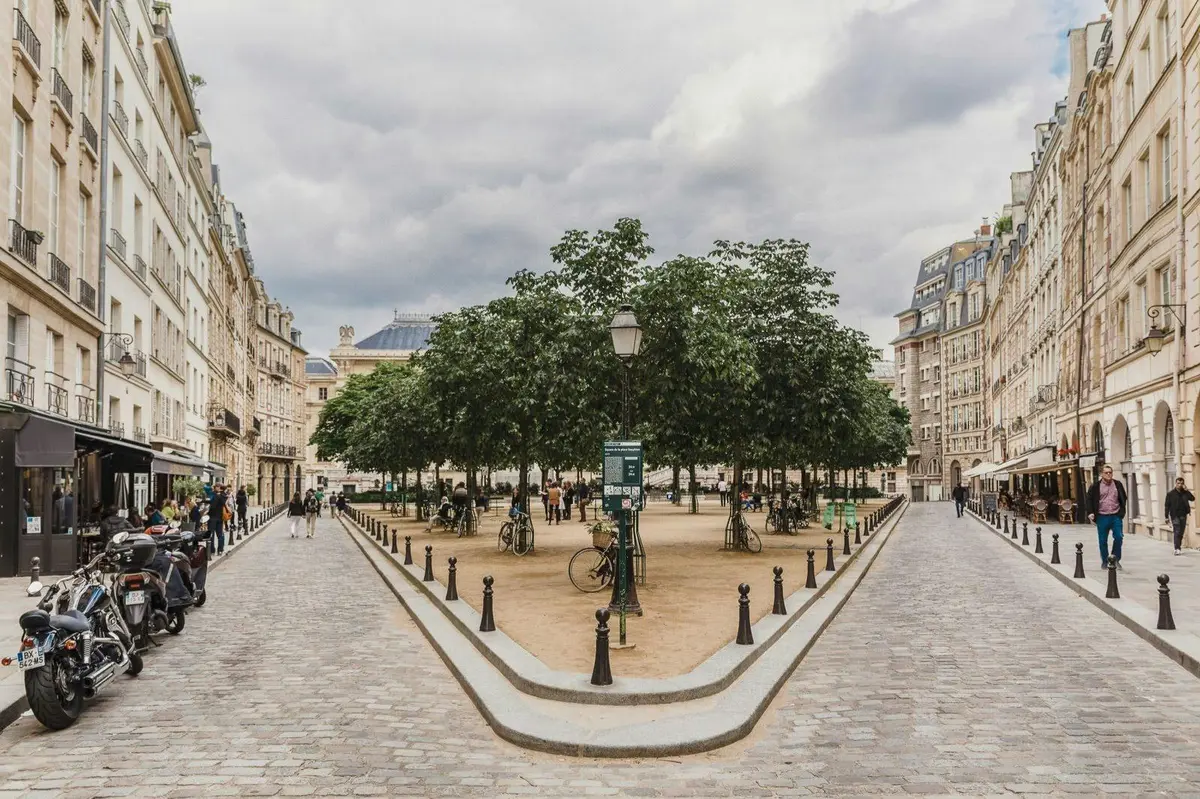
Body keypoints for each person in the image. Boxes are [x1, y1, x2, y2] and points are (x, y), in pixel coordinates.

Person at [1086, 464, 1128, 570]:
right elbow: (1089, 499)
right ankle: (1105, 561)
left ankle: (1115, 559)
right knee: (1102, 541)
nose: (1109, 474)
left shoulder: (1118, 484)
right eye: (1106, 473)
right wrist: (1091, 512)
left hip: (1115, 515)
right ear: (1101, 474)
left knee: (1119, 537)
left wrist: (1121, 512)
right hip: (1102, 516)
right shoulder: (1095, 486)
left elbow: (1123, 497)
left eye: (1110, 472)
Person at [1165, 477, 1195, 556]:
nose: (1180, 485)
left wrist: (1187, 490)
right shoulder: (1170, 494)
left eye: (1181, 483)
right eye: (1178, 483)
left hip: (1183, 515)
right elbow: (1167, 506)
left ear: (1183, 484)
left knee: (1181, 533)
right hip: (1174, 515)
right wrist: (1166, 517)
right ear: (1176, 483)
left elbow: (1192, 498)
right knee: (1177, 531)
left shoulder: (1185, 493)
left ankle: (1178, 547)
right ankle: (1176, 548)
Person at [209, 484, 228, 555]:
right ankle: (220, 550)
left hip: (213, 517)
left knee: (212, 534)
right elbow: (223, 504)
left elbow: (212, 506)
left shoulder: (215, 496)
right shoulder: (223, 496)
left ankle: (212, 550)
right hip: (219, 517)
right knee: (219, 534)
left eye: (217, 487)